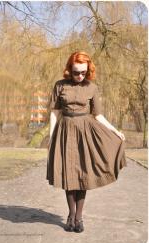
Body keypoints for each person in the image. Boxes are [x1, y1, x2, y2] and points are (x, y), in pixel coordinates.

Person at [46, 51, 127, 233]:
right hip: (65, 132)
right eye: (76, 72)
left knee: (83, 176)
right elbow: (54, 112)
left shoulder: (92, 87)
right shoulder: (60, 86)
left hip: (85, 133)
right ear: (69, 69)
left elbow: (97, 114)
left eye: (83, 72)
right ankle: (70, 215)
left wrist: (115, 131)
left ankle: (78, 218)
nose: (80, 76)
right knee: (69, 176)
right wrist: (51, 137)